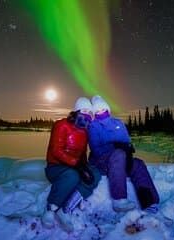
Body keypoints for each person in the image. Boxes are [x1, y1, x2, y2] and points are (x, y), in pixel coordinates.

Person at [88, 95, 163, 215]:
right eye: (97, 111)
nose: (100, 112)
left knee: (138, 164)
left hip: (119, 159)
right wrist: (116, 147)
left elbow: (126, 141)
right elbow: (96, 149)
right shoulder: (93, 126)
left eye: (102, 109)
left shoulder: (118, 123)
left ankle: (149, 202)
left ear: (107, 109)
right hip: (100, 161)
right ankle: (119, 200)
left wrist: (127, 150)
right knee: (118, 154)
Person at [42, 97, 101, 232]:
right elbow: (56, 150)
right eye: (84, 110)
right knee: (72, 175)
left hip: (75, 165)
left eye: (89, 112)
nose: (87, 114)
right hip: (55, 167)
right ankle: (51, 209)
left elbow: (82, 153)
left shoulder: (85, 131)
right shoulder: (61, 125)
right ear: (76, 111)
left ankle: (66, 208)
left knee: (95, 174)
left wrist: (85, 167)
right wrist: (77, 165)